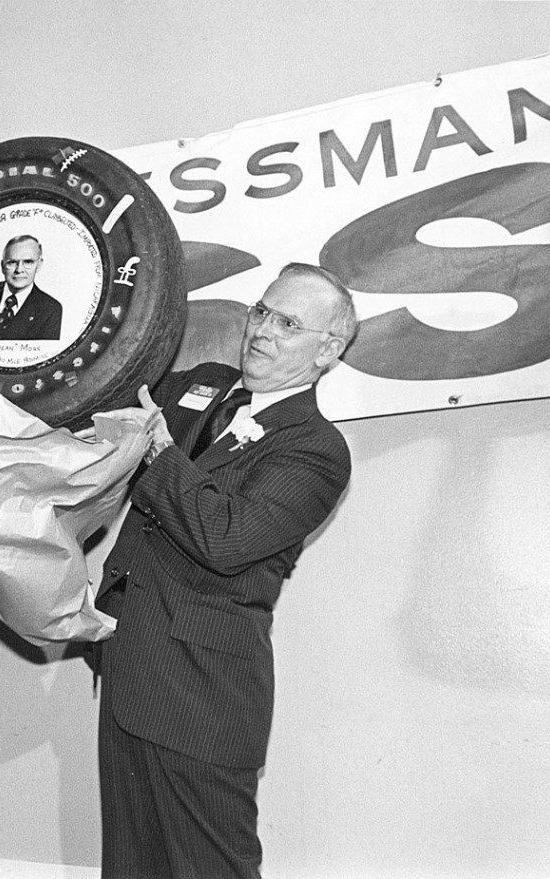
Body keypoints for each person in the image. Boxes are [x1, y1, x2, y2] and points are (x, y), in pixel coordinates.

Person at [94, 262, 358, 878]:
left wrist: (158, 450)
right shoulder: (207, 386)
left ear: (327, 351)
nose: (262, 331)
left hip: (200, 695)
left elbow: (225, 537)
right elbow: (110, 387)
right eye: (261, 312)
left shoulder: (316, 449)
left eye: (288, 323)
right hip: (129, 664)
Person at [0, 234, 63, 340]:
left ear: (39, 264)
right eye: (12, 262)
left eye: (28, 262)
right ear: (2, 266)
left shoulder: (50, 309)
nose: (19, 270)